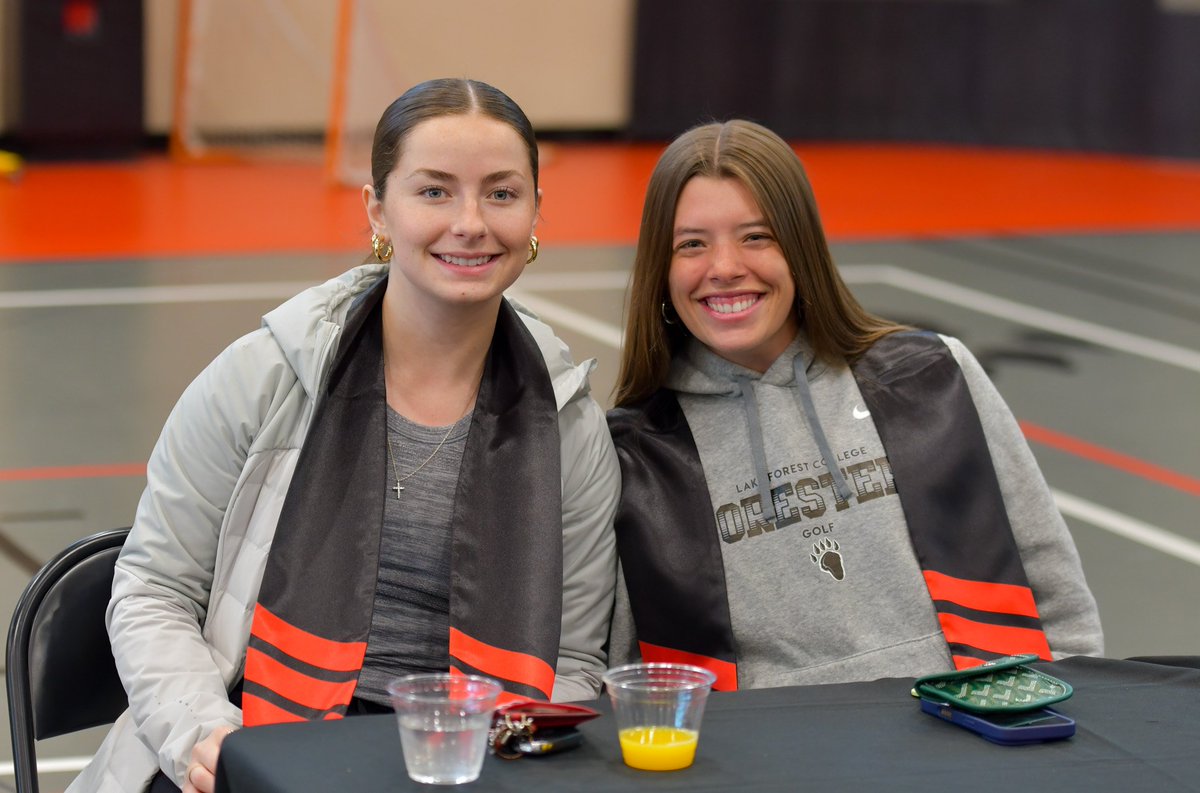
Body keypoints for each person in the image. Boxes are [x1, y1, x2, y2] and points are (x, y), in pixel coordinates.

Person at [69, 78, 620, 793]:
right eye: (434, 191)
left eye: (502, 193)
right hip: (250, 746)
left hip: (462, 764)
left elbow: (574, 658)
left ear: (537, 213)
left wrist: (498, 759)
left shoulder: (568, 419)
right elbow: (152, 586)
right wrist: (202, 731)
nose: (470, 221)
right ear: (377, 210)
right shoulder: (265, 374)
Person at [606, 119, 1103, 693]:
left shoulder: (933, 377)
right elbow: (629, 672)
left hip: (971, 734)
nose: (724, 267)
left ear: (801, 247)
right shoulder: (635, 452)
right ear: (660, 270)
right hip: (764, 765)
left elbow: (1051, 584)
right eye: (691, 243)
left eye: (756, 236)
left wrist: (1069, 708)